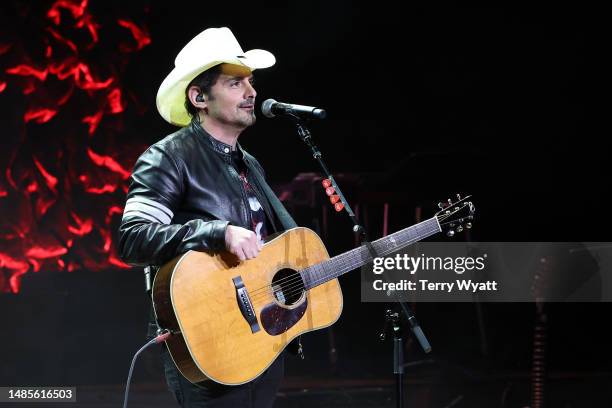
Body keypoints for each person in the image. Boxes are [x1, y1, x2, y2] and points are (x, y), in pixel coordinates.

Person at [117, 27, 299, 407]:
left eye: (251, 82)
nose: (251, 92)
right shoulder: (167, 157)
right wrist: (217, 232)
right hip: (206, 338)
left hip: (259, 338)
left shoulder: (250, 165)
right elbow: (133, 238)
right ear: (198, 96)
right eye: (235, 84)